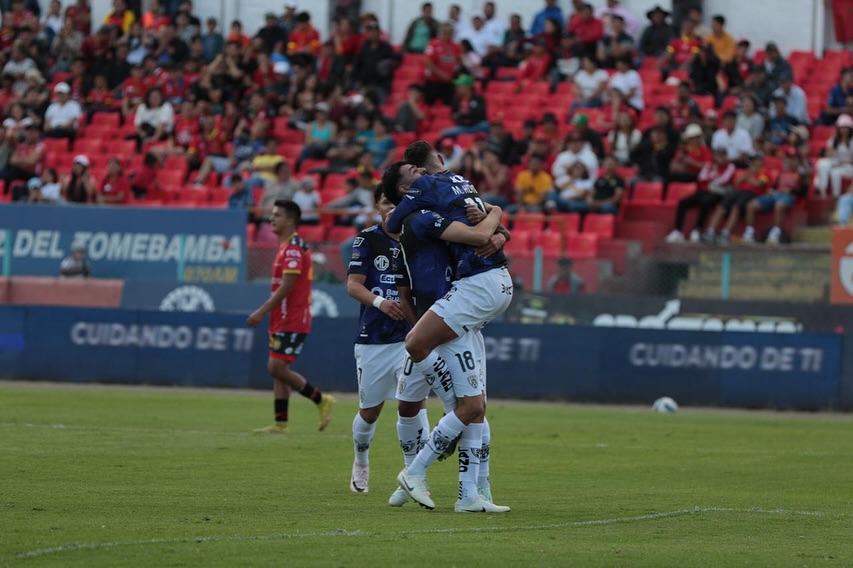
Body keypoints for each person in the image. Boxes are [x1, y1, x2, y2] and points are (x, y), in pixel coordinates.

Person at [382, 142, 513, 513]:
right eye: (414, 174)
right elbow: (476, 236)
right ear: (407, 191)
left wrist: (497, 226)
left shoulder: (435, 201)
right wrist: (495, 215)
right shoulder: (420, 219)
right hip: (443, 315)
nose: (422, 175)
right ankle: (416, 473)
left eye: (418, 169)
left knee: (473, 408)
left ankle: (471, 493)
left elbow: (488, 231)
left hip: (457, 313)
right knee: (420, 402)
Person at [247, 200, 336, 434]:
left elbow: (286, 287)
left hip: (293, 318)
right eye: (272, 214)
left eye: (277, 215)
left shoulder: (294, 248)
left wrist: (260, 311)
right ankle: (280, 422)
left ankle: (320, 399)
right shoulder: (286, 247)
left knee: (276, 367)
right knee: (279, 370)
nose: (271, 219)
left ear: (291, 220)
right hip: (282, 317)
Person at [346, 185, 411, 493]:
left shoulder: (418, 238)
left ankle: (414, 473)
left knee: (413, 405)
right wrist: (380, 302)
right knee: (370, 412)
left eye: (395, 203)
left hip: (410, 338)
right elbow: (353, 286)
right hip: (373, 337)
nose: (390, 208)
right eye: (385, 203)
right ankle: (361, 460)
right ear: (376, 206)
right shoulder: (368, 239)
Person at [665, 147, 735, 243]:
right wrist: (713, 176)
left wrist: (711, 178)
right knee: (683, 202)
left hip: (718, 193)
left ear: (726, 156)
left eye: (722, 155)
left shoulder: (730, 166)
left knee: (705, 202)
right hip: (704, 190)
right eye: (718, 155)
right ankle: (678, 231)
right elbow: (701, 177)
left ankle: (697, 230)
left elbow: (724, 180)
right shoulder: (709, 165)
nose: (720, 158)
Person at [703, 154, 769, 245]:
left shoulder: (764, 172)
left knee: (736, 208)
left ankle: (725, 233)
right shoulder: (747, 171)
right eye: (753, 161)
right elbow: (737, 182)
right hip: (738, 192)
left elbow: (758, 184)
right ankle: (710, 232)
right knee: (721, 207)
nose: (754, 163)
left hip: (751, 194)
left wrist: (748, 177)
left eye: (757, 161)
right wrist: (749, 176)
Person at [743, 148, 805, 245]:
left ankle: (775, 234)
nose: (790, 161)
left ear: (797, 161)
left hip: (789, 197)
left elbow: (803, 191)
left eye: (793, 159)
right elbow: (775, 186)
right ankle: (749, 233)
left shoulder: (801, 174)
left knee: (779, 205)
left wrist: (791, 190)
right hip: (776, 195)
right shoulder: (782, 173)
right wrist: (771, 190)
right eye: (789, 158)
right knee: (751, 205)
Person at [814, 114, 853, 197]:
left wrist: (841, 163)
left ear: (850, 128)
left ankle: (836, 197)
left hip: (849, 166)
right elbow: (829, 153)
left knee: (835, 173)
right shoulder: (834, 139)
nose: (844, 130)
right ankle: (822, 190)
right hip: (836, 162)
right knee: (822, 163)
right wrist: (829, 153)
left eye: (846, 127)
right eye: (842, 127)